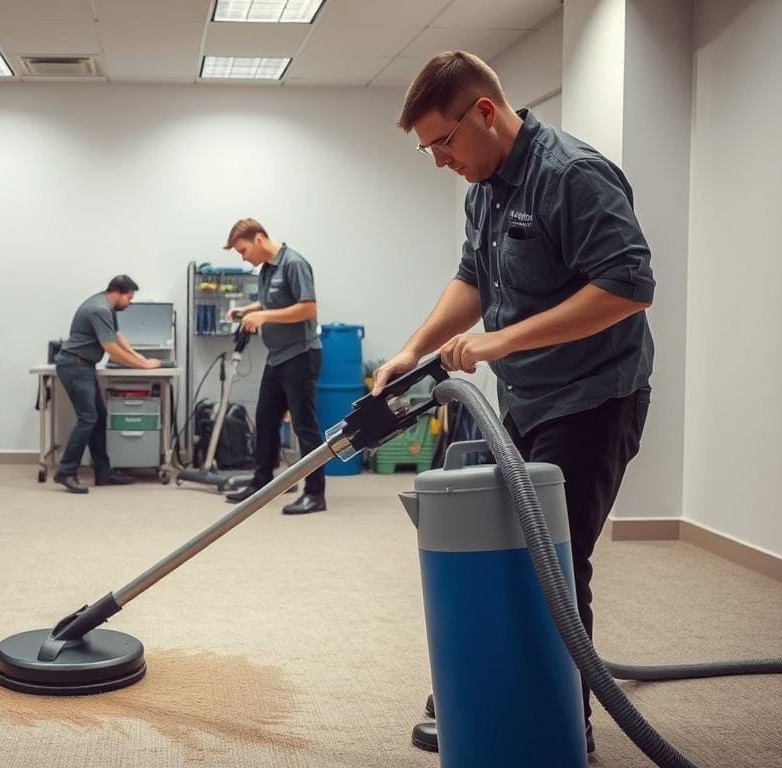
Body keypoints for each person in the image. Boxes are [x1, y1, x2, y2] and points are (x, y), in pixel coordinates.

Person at [375, 51, 655, 754]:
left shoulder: (572, 174)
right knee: (501, 544)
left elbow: (627, 286)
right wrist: (415, 347)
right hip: (527, 399)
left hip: (594, 397)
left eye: (443, 142)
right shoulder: (485, 185)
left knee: (554, 561)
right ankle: (486, 691)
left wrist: (499, 342)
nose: (439, 160)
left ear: (486, 113)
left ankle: (567, 729)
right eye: (428, 150)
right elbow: (473, 277)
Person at [222, 218, 327, 515]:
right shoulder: (267, 269)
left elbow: (308, 307)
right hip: (277, 356)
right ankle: (261, 483)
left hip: (301, 355)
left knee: (304, 426)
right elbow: (271, 302)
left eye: (243, 251)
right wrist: (248, 309)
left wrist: (265, 318)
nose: (243, 258)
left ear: (258, 239)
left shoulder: (294, 263)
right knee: (265, 418)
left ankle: (316, 494)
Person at [53, 275, 161, 494]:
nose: (130, 303)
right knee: (88, 418)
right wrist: (143, 367)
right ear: (118, 293)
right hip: (74, 365)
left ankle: (103, 472)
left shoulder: (106, 306)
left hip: (83, 365)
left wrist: (139, 357)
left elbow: (117, 336)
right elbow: (111, 348)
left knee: (99, 418)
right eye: (129, 298)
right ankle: (65, 471)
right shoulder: (99, 309)